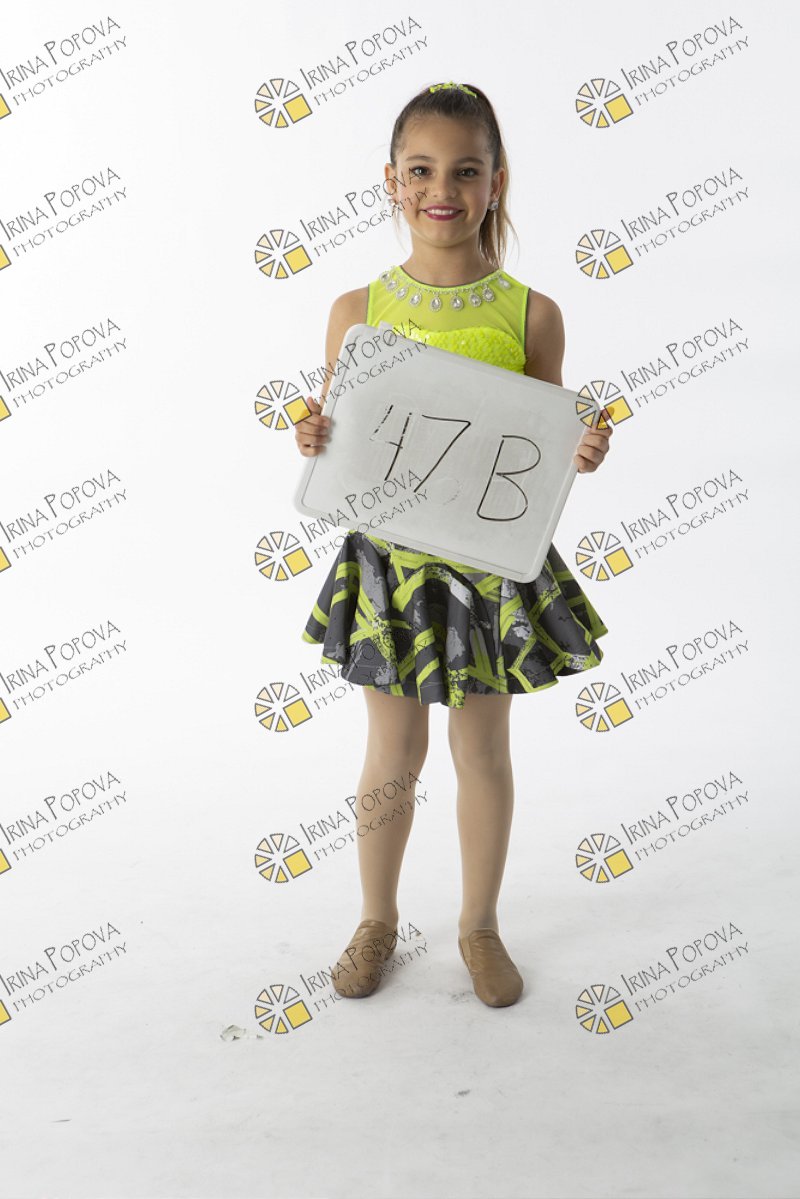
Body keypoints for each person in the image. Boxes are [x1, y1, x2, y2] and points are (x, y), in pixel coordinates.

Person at [294, 81, 614, 1008]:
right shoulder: (357, 308)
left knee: (482, 751)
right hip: (389, 566)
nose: (443, 190)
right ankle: (376, 920)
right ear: (391, 181)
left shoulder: (532, 314)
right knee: (392, 752)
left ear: (495, 182)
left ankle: (479, 925)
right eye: (422, 170)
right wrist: (314, 433)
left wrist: (582, 449)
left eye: (466, 171)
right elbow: (346, 436)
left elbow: (541, 447)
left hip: (486, 568)